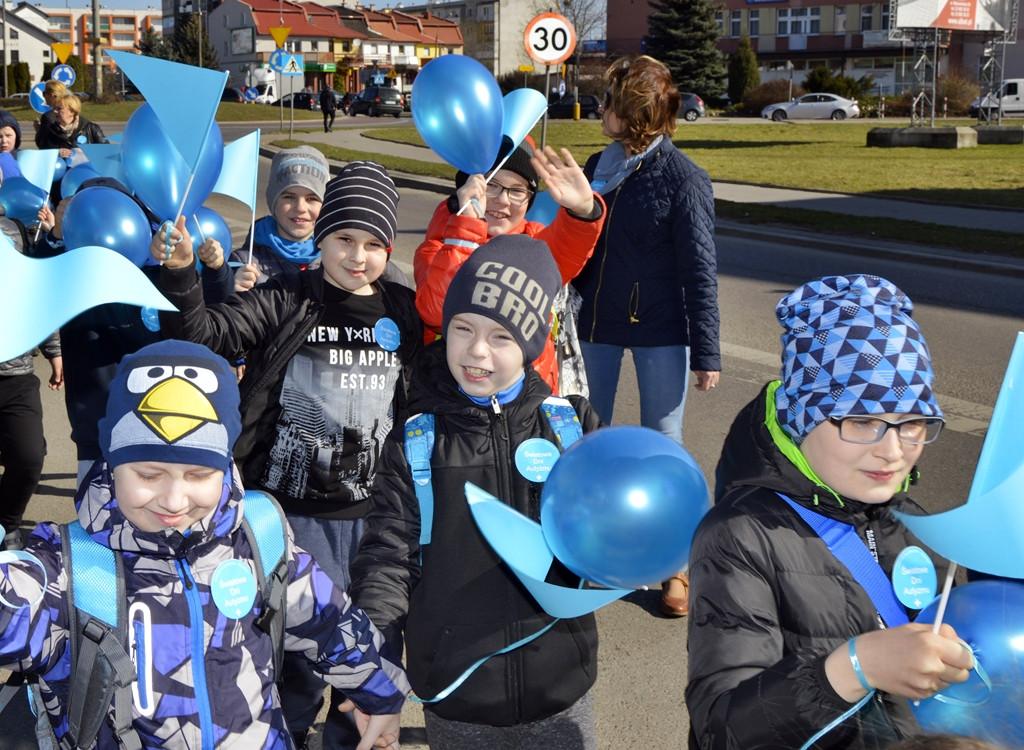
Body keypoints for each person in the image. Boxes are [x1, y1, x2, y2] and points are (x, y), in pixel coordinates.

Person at [0, 339, 409, 748]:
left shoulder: (258, 535)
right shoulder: (64, 570)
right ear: (111, 460)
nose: (174, 500)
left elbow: (328, 618)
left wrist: (381, 694)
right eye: (148, 474)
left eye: (198, 475)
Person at [152, 161, 423, 750]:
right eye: (344, 239)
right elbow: (203, 335)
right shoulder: (288, 298)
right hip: (289, 521)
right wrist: (180, 277)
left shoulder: (404, 311)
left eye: (373, 243)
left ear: (390, 247)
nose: (357, 256)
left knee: (366, 661)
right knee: (295, 661)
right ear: (320, 237)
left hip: (375, 525)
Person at [686, 274, 975, 749]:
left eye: (914, 423)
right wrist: (854, 668)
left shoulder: (912, 524)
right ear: (804, 417)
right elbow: (721, 729)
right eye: (862, 421)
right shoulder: (740, 536)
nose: (894, 451)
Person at [352, 235, 603, 750]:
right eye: (462, 329)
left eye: (501, 337)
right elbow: (387, 559)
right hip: (459, 693)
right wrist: (372, 664)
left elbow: (618, 527)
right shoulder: (418, 439)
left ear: (534, 345)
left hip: (561, 688)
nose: (477, 350)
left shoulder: (572, 429)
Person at [574, 55, 721, 616]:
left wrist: (706, 350)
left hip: (662, 328)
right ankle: (588, 552)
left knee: (663, 446)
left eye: (609, 102)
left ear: (633, 113)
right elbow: (579, 244)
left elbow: (699, 271)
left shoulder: (684, 179)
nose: (600, 110)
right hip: (597, 325)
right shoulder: (597, 164)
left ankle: (673, 566)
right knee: (590, 439)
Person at [34, 176, 233, 484]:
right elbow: (37, 286)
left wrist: (216, 270)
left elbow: (208, 312)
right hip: (95, 428)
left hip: (161, 420)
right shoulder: (72, 277)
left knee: (156, 518)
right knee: (100, 521)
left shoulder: (155, 271)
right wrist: (57, 236)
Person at [413, 136, 605, 394]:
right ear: (468, 187)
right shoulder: (440, 245)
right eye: (491, 185)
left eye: (518, 190)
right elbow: (436, 313)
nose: (503, 200)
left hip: (526, 402)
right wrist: (466, 231)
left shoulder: (535, 244)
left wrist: (582, 212)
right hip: (454, 401)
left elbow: (568, 246)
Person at [0, 199, 62, 551]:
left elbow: (38, 291)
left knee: (27, 458)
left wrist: (54, 350)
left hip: (16, 373)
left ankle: (6, 524)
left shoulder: (17, 232)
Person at [231, 146, 331, 291]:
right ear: (274, 201)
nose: (300, 208)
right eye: (289, 197)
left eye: (312, 198)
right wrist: (231, 292)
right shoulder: (244, 263)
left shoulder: (335, 261)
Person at [34, 92, 107, 159]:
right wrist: (57, 153)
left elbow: (106, 151)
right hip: (62, 172)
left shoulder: (92, 128)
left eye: (59, 108)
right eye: (54, 108)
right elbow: (42, 152)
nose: (54, 111)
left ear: (72, 111)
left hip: (86, 171)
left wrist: (86, 151)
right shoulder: (50, 130)